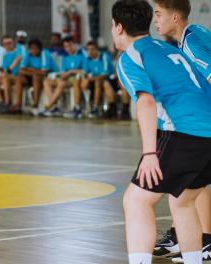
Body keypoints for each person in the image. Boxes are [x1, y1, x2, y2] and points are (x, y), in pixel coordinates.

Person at [112, 1, 211, 264]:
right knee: (182, 201)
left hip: (185, 132)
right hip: (207, 132)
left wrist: (149, 153)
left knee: (136, 201)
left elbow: (145, 102)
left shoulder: (131, 56)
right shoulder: (168, 49)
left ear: (117, 27)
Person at [151, 0, 211, 261]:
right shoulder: (187, 38)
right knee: (192, 181)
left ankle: (205, 241)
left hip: (201, 124)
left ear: (175, 17)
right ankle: (189, 236)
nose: (155, 20)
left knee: (190, 180)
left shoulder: (192, 41)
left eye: (158, 14)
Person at [40, 36, 86, 118]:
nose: (68, 48)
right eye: (66, 47)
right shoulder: (65, 57)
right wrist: (61, 75)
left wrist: (71, 72)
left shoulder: (82, 54)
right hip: (67, 79)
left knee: (61, 84)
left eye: (70, 45)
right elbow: (64, 71)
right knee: (46, 81)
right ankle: (54, 106)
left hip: (77, 79)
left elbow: (85, 71)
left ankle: (49, 106)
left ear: (75, 44)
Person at [13, 39, 58, 115]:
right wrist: (33, 72)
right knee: (19, 78)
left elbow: (44, 72)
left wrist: (30, 69)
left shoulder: (45, 54)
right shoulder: (28, 54)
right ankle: (18, 105)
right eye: (31, 48)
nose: (33, 50)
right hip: (33, 76)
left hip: (48, 77)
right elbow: (20, 70)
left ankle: (35, 104)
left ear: (40, 49)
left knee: (36, 77)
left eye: (36, 48)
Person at [82, 41, 116, 119]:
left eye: (92, 49)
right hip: (96, 80)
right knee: (83, 82)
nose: (90, 52)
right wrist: (85, 79)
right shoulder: (88, 59)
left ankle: (96, 107)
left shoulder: (104, 57)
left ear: (97, 50)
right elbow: (85, 72)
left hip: (110, 79)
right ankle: (85, 106)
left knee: (99, 82)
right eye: (88, 50)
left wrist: (90, 79)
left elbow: (105, 74)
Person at [0, 35, 23, 113]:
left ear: (13, 43)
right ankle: (2, 102)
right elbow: (3, 68)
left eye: (9, 43)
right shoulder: (4, 55)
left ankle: (8, 103)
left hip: (16, 76)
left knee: (5, 78)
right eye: (5, 44)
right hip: (7, 75)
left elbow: (17, 62)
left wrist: (6, 72)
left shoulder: (18, 51)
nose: (7, 45)